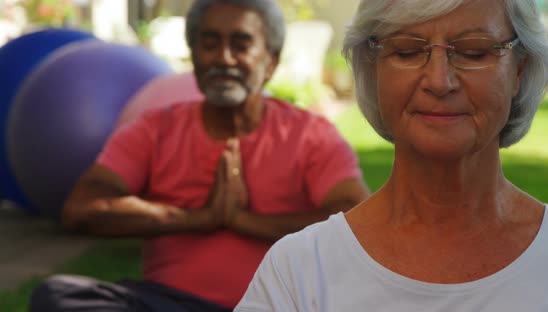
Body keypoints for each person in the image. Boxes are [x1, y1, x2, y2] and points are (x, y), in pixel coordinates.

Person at [236, 0, 548, 311]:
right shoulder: (300, 273)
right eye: (407, 51)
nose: (439, 80)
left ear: (519, 70)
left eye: (473, 51)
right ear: (373, 69)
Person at [29, 0, 369, 311]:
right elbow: (83, 207)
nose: (223, 57)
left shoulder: (310, 134)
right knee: (58, 295)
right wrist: (196, 218)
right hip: (169, 304)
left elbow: (354, 220)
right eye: (209, 43)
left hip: (272, 303)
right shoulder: (155, 129)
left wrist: (246, 222)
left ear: (271, 61)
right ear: (194, 55)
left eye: (240, 44)